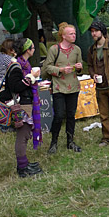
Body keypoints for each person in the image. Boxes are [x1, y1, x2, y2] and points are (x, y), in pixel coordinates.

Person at [0, 38, 43, 177]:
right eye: (33, 47)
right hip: (20, 105)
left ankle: (24, 163)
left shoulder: (23, 64)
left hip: (25, 102)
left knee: (25, 135)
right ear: (27, 50)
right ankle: (22, 168)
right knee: (22, 136)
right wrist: (31, 77)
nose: (34, 49)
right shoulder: (16, 66)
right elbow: (16, 86)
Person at [42, 22, 83, 154]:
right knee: (59, 115)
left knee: (71, 115)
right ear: (64, 36)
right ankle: (54, 143)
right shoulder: (54, 49)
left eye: (75, 33)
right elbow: (47, 67)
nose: (74, 35)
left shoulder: (77, 49)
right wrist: (60, 69)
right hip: (59, 87)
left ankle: (70, 141)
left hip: (73, 87)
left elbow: (80, 68)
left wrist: (80, 67)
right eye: (71, 33)